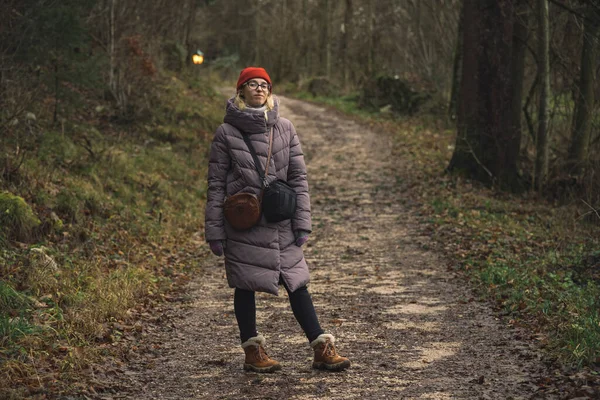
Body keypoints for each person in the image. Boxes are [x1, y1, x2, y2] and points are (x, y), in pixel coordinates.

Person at [204, 67, 351, 373]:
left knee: (297, 283)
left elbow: (298, 178)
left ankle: (321, 348)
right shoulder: (226, 133)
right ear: (241, 91)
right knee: (244, 284)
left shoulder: (285, 128)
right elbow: (216, 184)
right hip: (243, 221)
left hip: (280, 219)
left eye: (264, 85)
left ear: (269, 92)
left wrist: (302, 223)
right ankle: (252, 352)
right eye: (252, 84)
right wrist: (215, 231)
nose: (259, 89)